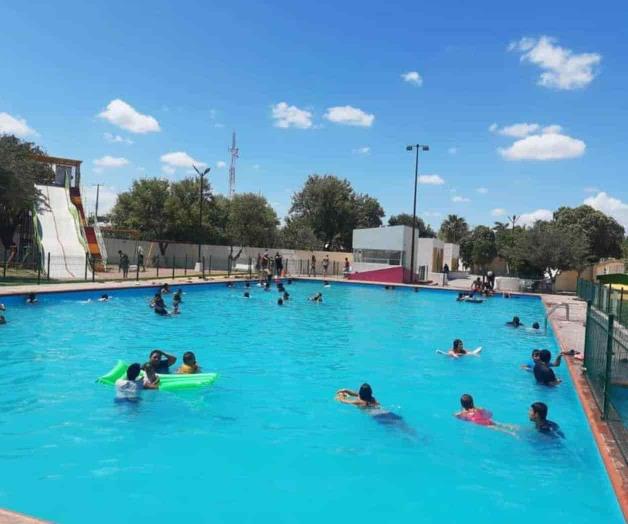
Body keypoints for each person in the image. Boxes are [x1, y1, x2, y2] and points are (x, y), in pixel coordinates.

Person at [335, 384, 417, 437]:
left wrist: (340, 395)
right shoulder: (372, 398)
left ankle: (411, 440)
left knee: (398, 432)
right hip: (388, 413)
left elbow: (343, 401)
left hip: (379, 417)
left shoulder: (359, 402)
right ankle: (417, 436)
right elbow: (357, 394)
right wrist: (346, 390)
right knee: (406, 428)